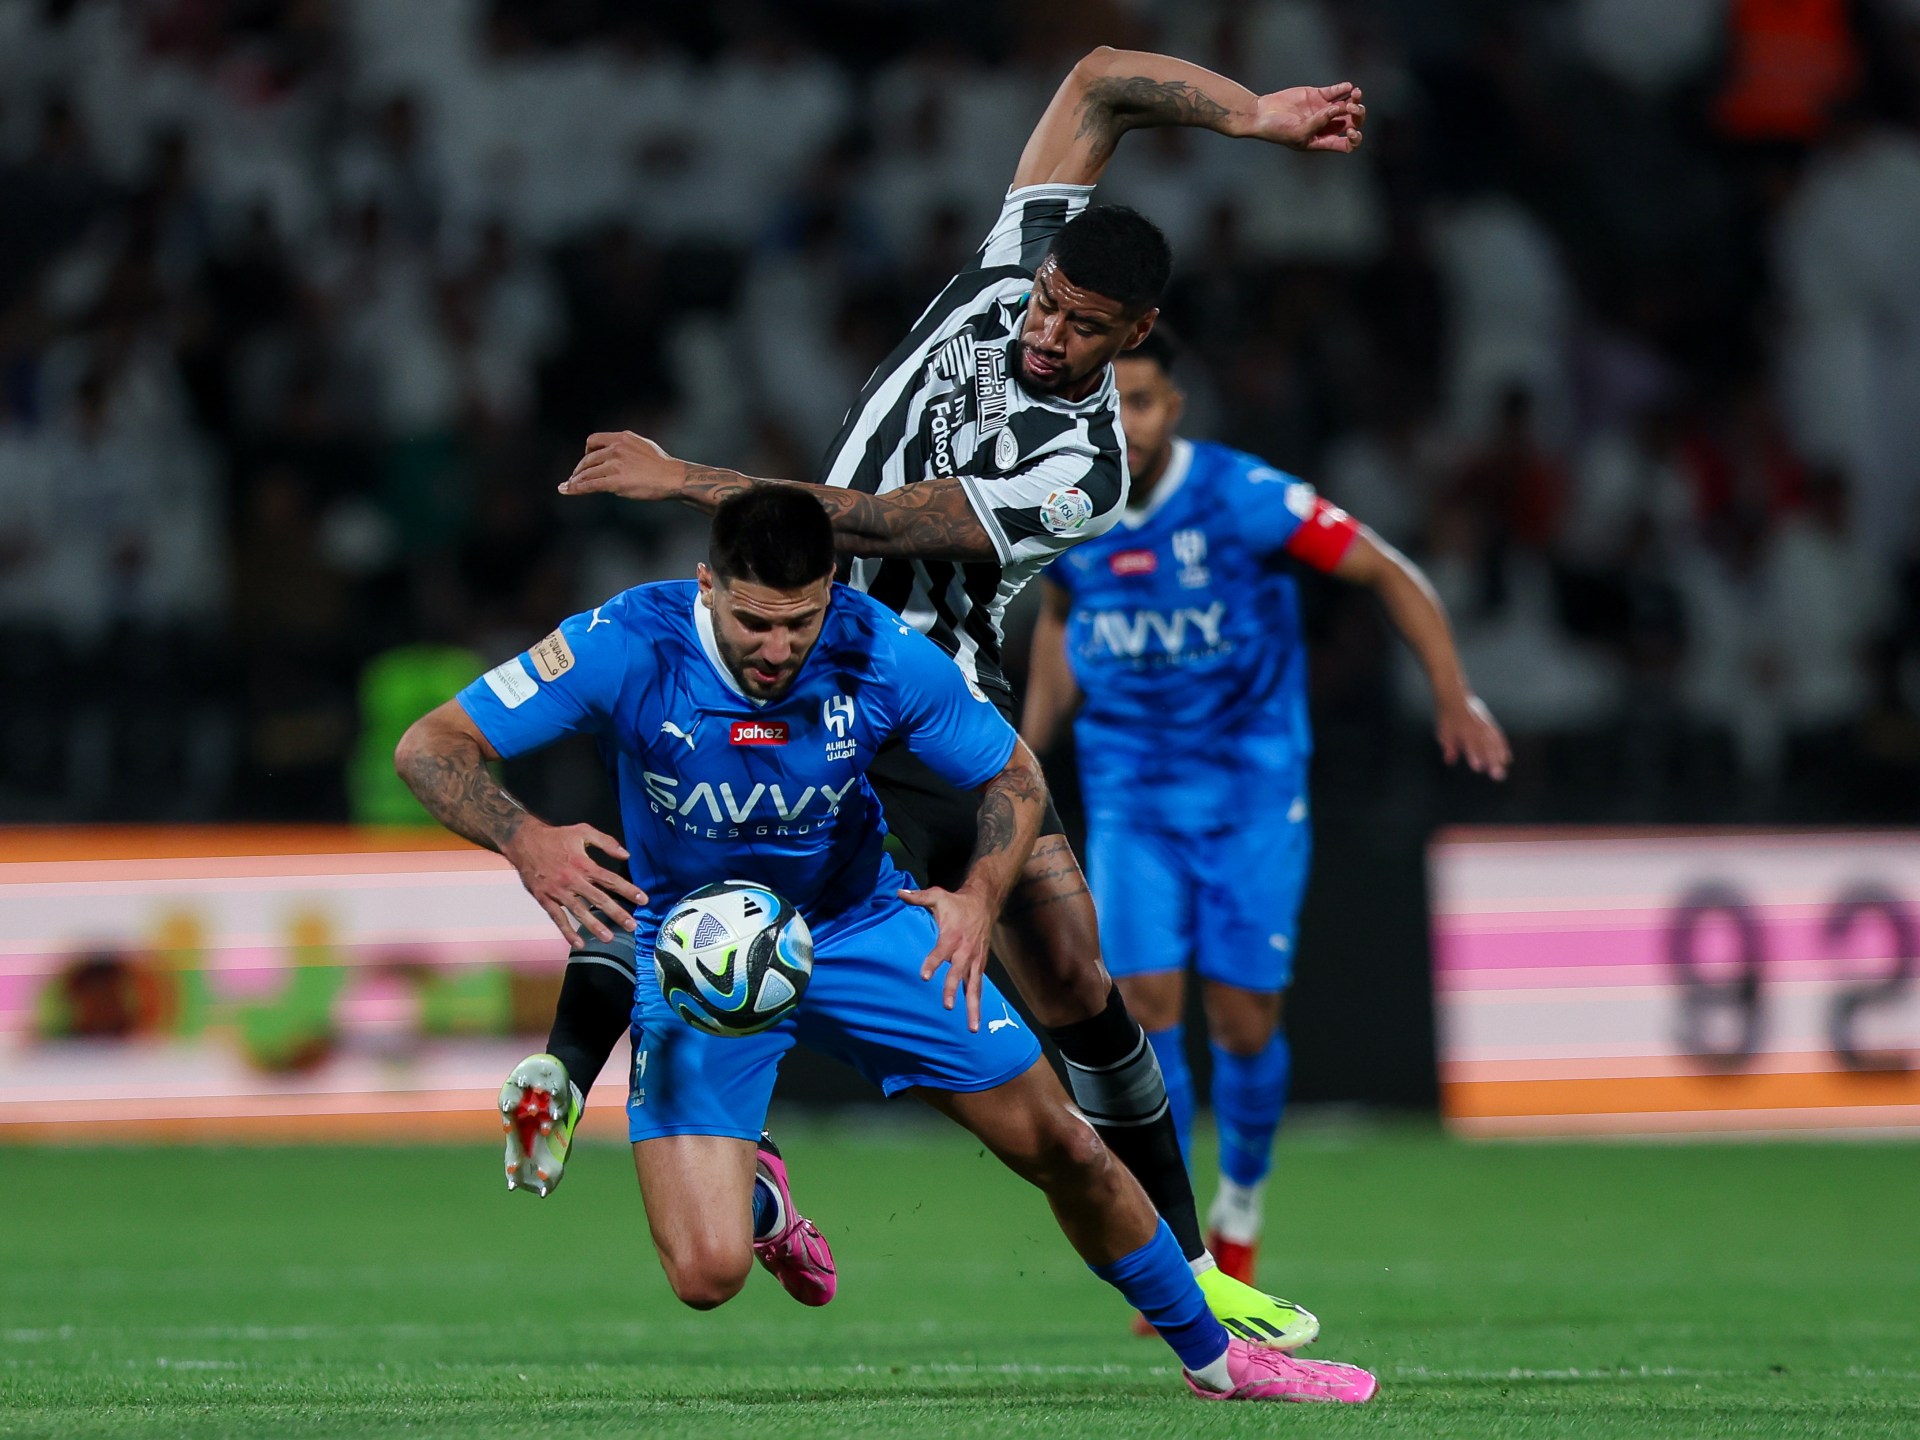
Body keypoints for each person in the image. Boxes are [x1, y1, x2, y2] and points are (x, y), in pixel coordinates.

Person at [538, 45, 1367, 1349]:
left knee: (1074, 975)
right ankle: (732, 1168)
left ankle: (1190, 1271)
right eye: (1047, 303)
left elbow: (871, 522)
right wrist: (1252, 115)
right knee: (706, 907)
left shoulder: (1081, 466)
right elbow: (1101, 80)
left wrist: (689, 477)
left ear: (1136, 336)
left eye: (1082, 327)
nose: (1045, 331)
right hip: (800, 666)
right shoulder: (1017, 260)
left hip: (924, 699)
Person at [394, 490, 1379, 1404]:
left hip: (862, 926)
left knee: (1067, 1145)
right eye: (755, 622)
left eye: (800, 620)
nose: (779, 649)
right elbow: (428, 745)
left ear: (831, 591)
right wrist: (525, 839)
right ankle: (762, 1207)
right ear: (707, 587)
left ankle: (1217, 1360)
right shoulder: (622, 643)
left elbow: (1014, 775)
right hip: (700, 957)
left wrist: (978, 897)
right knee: (705, 1274)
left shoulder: (877, 649)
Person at [1021, 330, 1510, 1293]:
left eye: (1143, 402)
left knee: (1243, 1024)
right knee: (1143, 1010)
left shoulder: (1244, 499)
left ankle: (1240, 1210)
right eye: (1109, 404)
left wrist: (1453, 693)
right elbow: (1064, 618)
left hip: (1249, 796)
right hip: (1131, 798)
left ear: (1176, 407)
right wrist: (1026, 759)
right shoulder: (1070, 504)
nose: (1126, 422)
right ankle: (1178, 1246)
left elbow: (1386, 569)